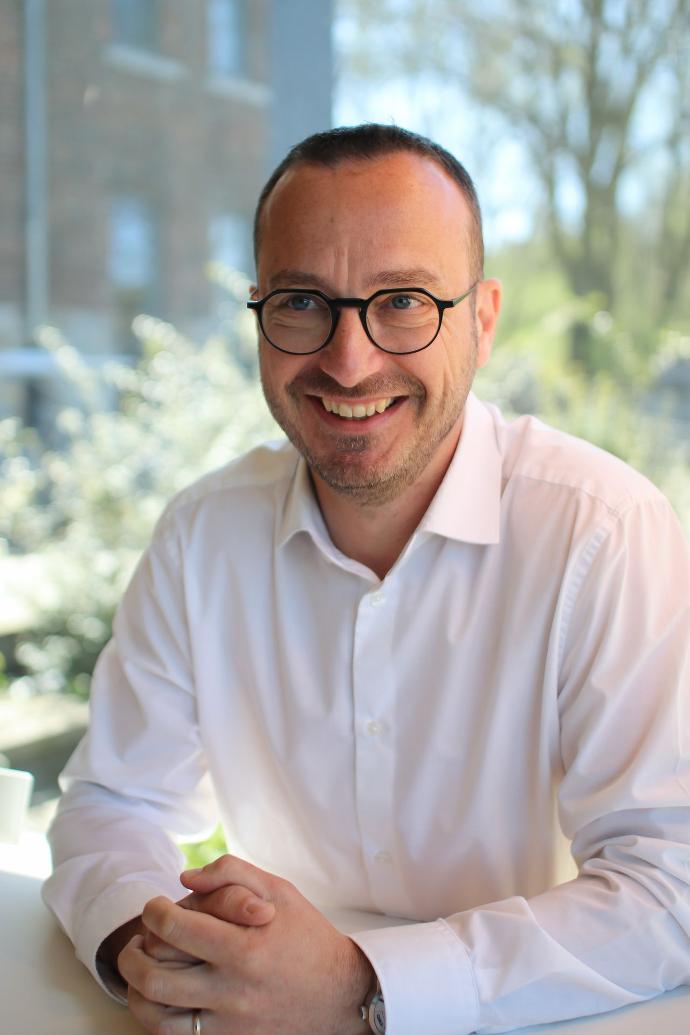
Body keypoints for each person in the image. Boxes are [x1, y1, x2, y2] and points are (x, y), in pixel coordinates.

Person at [43, 124, 690, 1035]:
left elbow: (671, 884)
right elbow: (113, 802)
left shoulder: (605, 531)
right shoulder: (201, 535)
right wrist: (148, 946)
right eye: (303, 301)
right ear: (260, 314)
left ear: (483, 319)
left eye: (404, 301)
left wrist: (362, 982)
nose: (349, 361)